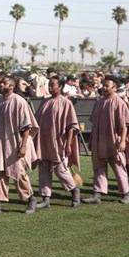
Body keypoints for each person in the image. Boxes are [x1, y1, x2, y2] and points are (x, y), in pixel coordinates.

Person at [0, 75, 39, 214]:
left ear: (12, 86)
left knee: (18, 173)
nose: (1, 84)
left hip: (14, 144)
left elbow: (26, 126)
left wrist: (23, 146)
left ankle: (30, 199)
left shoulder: (19, 102)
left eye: (4, 83)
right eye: (1, 82)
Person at [82, 77, 129, 205]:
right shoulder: (98, 103)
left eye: (107, 86)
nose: (104, 88)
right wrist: (92, 140)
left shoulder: (119, 102)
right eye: (103, 86)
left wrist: (122, 141)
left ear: (114, 88)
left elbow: (125, 125)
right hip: (99, 140)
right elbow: (94, 124)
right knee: (98, 166)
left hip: (114, 140)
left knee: (118, 166)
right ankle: (97, 194)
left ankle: (125, 193)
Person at [33, 75, 82, 208]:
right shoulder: (44, 102)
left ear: (60, 86)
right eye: (49, 85)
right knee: (43, 169)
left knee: (61, 170)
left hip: (59, 143)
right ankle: (46, 199)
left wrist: (69, 144)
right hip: (44, 142)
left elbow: (71, 125)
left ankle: (74, 190)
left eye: (53, 85)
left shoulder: (66, 103)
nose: (50, 87)